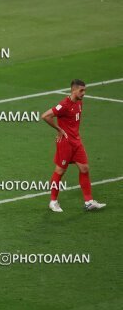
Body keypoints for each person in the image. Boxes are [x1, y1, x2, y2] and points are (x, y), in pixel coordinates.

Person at [41, 79, 106, 212]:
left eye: (85, 90)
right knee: (60, 171)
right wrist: (59, 129)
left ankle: (89, 202)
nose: (84, 93)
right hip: (65, 143)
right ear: (73, 90)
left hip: (77, 142)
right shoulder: (64, 104)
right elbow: (46, 116)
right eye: (81, 90)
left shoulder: (80, 103)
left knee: (84, 169)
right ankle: (53, 201)